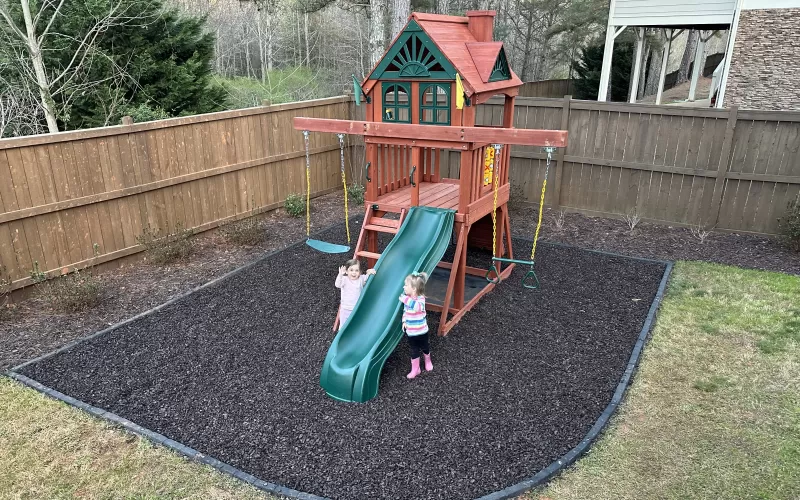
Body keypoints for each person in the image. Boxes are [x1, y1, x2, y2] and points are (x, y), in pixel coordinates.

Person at [399, 272, 432, 379]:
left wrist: (406, 299)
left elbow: (417, 308)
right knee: (414, 350)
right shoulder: (407, 299)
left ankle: (427, 360)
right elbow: (405, 312)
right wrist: (404, 321)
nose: (403, 287)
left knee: (425, 347)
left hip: (422, 331)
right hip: (411, 332)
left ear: (413, 289)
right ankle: (415, 369)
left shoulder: (420, 299)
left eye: (406, 285)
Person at [335, 259, 375, 330]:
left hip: (357, 308)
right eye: (351, 270)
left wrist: (369, 271)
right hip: (346, 308)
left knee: (356, 324)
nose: (354, 273)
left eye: (356, 270)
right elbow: (337, 284)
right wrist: (340, 275)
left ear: (360, 272)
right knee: (343, 325)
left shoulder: (361, 279)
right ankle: (342, 333)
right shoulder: (344, 279)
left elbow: (368, 276)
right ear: (346, 271)